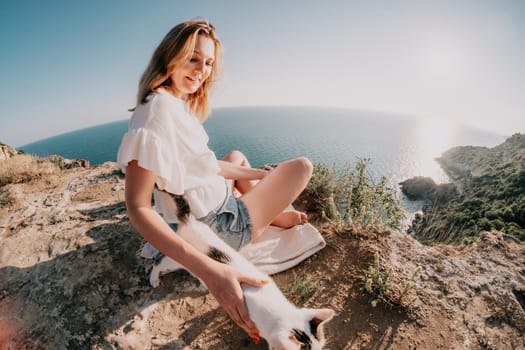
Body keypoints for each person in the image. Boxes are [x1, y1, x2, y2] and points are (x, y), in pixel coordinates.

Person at [117, 20, 313, 339]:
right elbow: (138, 208)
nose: (202, 70)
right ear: (170, 55)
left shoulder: (168, 103)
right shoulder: (157, 114)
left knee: (236, 156)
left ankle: (269, 209)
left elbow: (209, 167)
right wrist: (210, 271)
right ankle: (271, 218)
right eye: (193, 58)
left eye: (208, 62)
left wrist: (262, 175)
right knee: (301, 167)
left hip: (211, 203)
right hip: (222, 226)